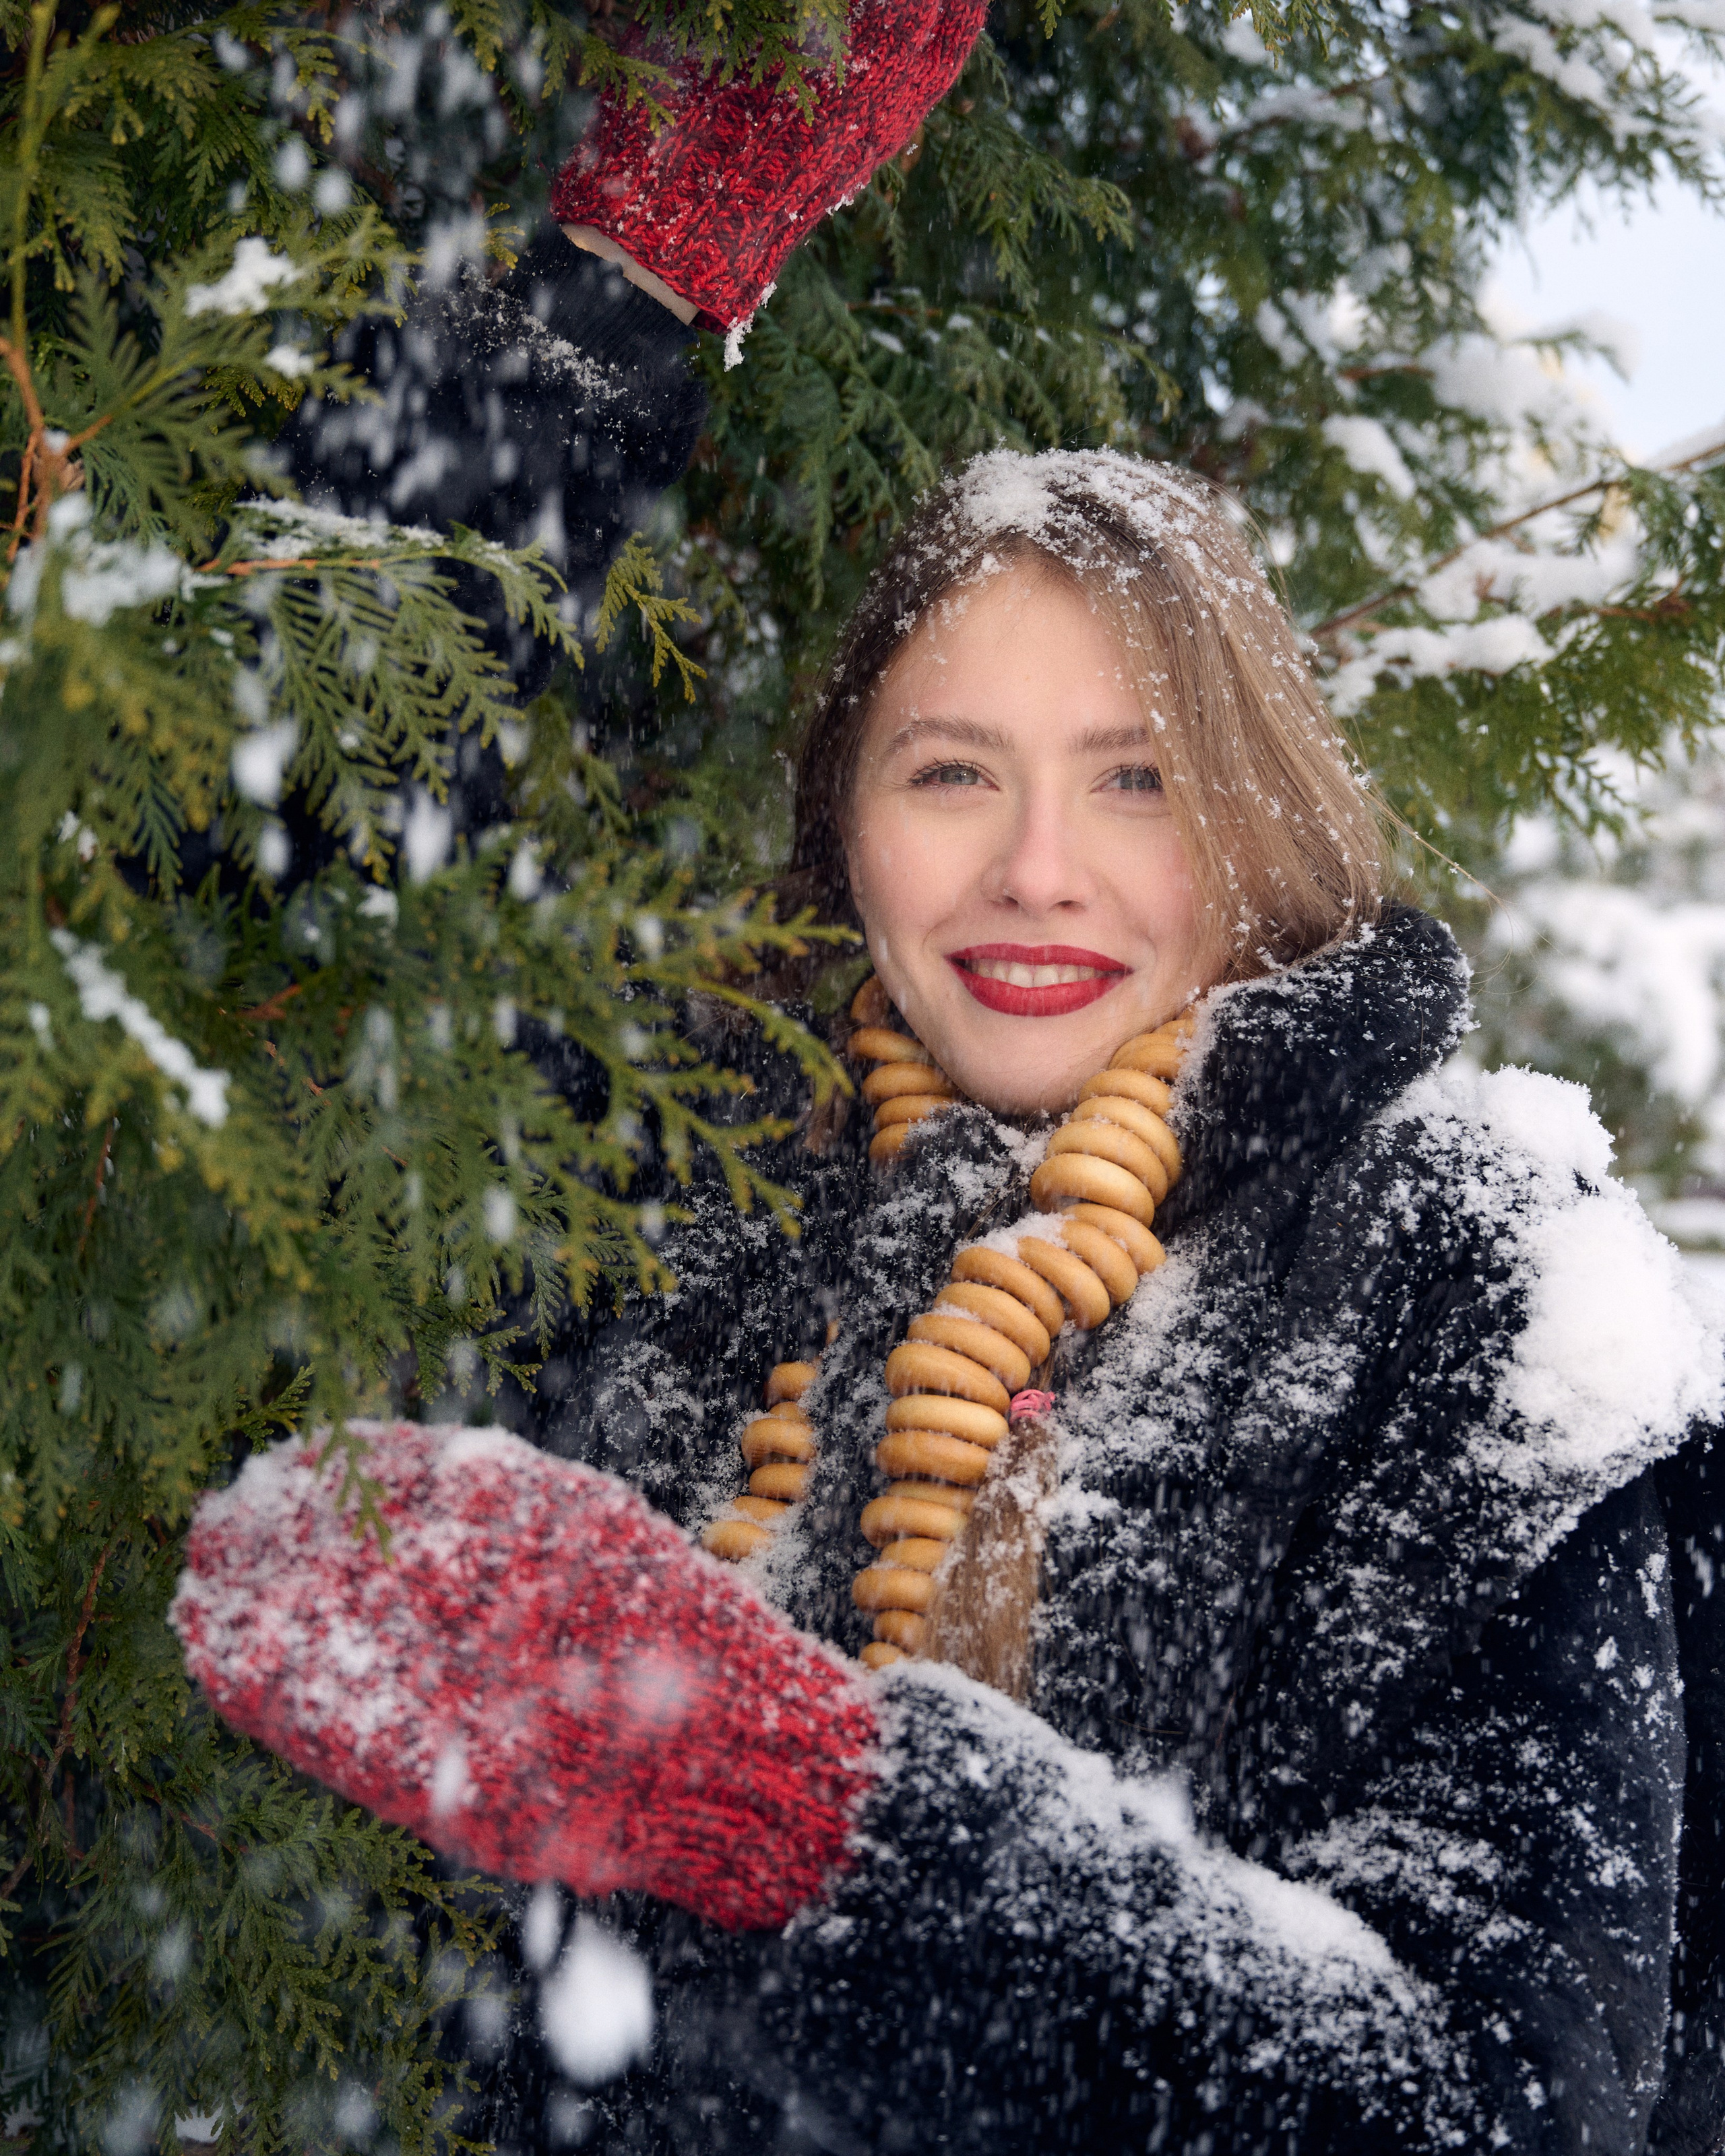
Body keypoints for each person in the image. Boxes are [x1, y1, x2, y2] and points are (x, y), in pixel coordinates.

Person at [171, 8, 1725, 2152]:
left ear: (1265, 818)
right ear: (844, 823)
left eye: (1139, 782)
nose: (1037, 873)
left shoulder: (1471, 1268)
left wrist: (819, 1820)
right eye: (950, 774)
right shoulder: (677, 1178)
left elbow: (1490, 2098)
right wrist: (619, 291)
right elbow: (263, 869)